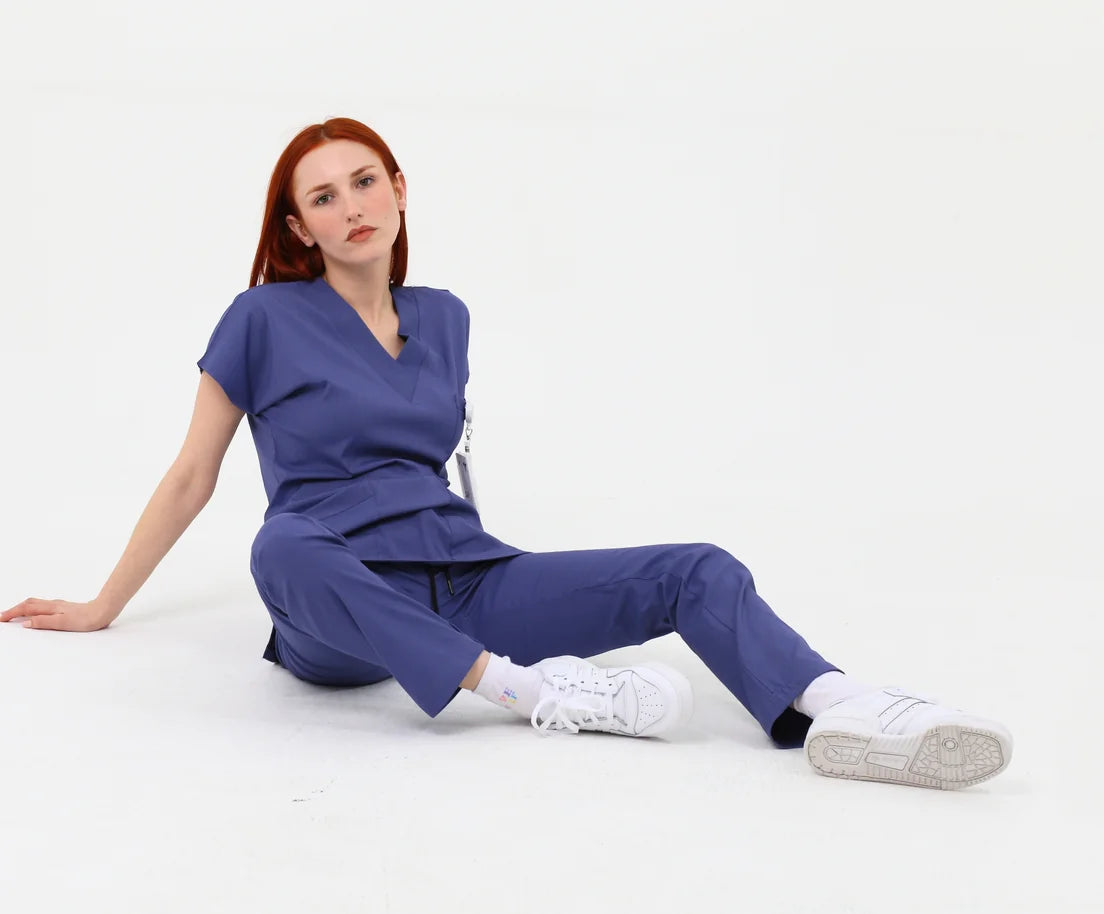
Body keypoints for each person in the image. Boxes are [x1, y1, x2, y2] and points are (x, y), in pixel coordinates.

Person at [2, 117, 1011, 791]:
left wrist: (490, 573)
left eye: (365, 180)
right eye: (324, 196)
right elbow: (192, 477)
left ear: (399, 188)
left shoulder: (445, 316)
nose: (352, 205)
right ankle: (533, 694)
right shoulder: (261, 318)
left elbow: (443, 461)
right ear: (299, 227)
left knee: (696, 567)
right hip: (336, 600)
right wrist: (100, 605)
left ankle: (836, 707)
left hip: (466, 575)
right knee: (279, 545)